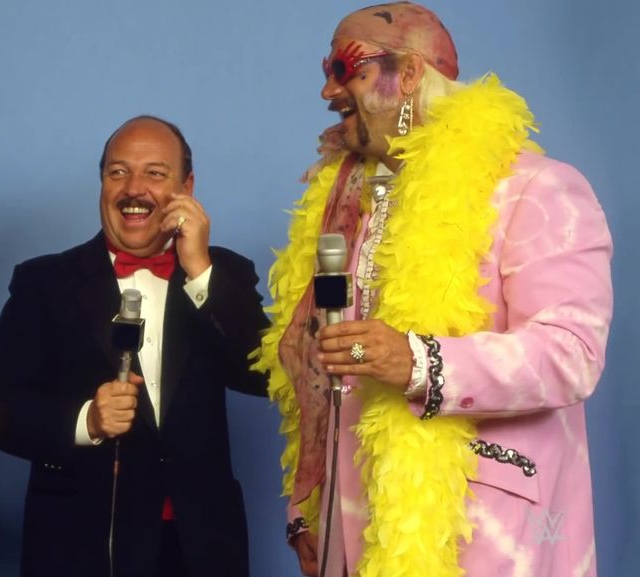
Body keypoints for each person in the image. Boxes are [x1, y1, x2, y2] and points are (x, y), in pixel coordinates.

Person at [252, 3, 613, 576]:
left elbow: (573, 354)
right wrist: (311, 511)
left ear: (409, 74)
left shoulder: (538, 188)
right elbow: (324, 378)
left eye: (346, 68)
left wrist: (420, 361)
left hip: (485, 533)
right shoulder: (346, 207)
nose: (328, 91)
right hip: (355, 531)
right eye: (326, 69)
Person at [0, 115, 270, 577]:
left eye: (155, 173)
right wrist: (87, 421)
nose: (134, 189)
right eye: (118, 172)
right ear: (102, 182)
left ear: (186, 187)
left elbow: (264, 375)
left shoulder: (224, 275)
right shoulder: (43, 283)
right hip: (81, 547)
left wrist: (199, 270)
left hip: (201, 548)